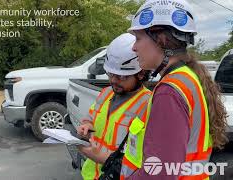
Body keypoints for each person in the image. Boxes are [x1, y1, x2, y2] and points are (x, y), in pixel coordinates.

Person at [120, 0, 228, 179]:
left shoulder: (169, 91)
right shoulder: (186, 77)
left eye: (138, 38)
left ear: (161, 38)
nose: (134, 47)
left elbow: (159, 173)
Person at [77, 33, 152, 180]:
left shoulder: (148, 105)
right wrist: (86, 126)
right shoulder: (106, 93)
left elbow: (142, 162)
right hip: (90, 175)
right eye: (111, 74)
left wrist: (100, 157)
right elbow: (90, 117)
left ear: (141, 74)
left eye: (122, 77)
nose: (114, 80)